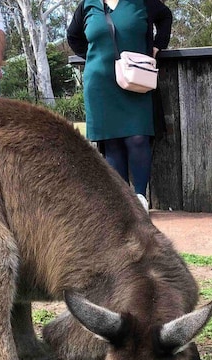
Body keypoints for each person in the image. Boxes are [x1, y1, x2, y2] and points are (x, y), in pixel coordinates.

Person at [67, 0, 172, 212]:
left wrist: (157, 46)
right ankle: (124, 204)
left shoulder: (142, 2)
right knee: (112, 142)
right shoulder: (87, 5)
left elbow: (165, 17)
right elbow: (73, 37)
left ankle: (140, 198)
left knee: (138, 137)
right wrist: (93, 57)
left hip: (136, 79)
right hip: (100, 83)